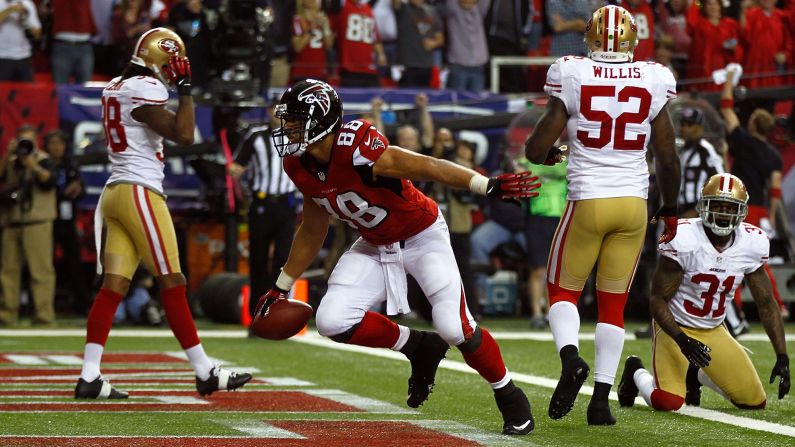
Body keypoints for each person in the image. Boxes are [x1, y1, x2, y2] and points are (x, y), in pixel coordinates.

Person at [259, 79, 539, 435]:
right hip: (375, 243)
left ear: (322, 120)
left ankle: (509, 394)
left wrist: (485, 185)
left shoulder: (357, 147)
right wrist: (281, 285)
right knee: (332, 320)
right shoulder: (298, 164)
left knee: (455, 327)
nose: (288, 128)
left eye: (297, 119)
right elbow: (314, 228)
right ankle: (418, 346)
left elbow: (427, 166)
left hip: (422, 235)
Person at [523, 5, 681, 425]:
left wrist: (555, 151)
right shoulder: (653, 77)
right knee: (613, 306)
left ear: (590, 38)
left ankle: (571, 359)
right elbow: (667, 156)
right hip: (633, 204)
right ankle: (600, 402)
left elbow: (535, 149)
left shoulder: (573, 72)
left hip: (589, 200)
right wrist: (671, 208)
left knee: (562, 292)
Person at [75, 27, 251, 399]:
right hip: (140, 193)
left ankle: (89, 375)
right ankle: (205, 371)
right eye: (172, 62)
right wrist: (185, 89)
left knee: (114, 287)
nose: (175, 69)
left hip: (116, 192)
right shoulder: (146, 88)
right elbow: (184, 134)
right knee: (173, 281)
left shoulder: (115, 86)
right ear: (159, 59)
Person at [617, 173, 790, 411]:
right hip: (674, 326)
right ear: (703, 206)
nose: (722, 214)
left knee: (753, 401)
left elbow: (767, 304)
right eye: (717, 206)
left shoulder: (752, 243)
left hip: (712, 328)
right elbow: (658, 300)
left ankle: (694, 375)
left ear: (742, 211)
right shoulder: (684, 238)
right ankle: (636, 371)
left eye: (730, 208)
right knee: (667, 402)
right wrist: (681, 340)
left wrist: (782, 356)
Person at [719, 69, 788, 318]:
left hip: (738, 206)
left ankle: (732, 307)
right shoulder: (773, 155)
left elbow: (726, 108)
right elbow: (775, 189)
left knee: (730, 255)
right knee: (759, 262)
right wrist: (769, 216)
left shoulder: (744, 142)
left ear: (752, 124)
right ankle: (777, 304)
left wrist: (728, 80)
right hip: (759, 210)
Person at [228, 105, 299, 321]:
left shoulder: (298, 138)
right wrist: (241, 179)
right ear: (268, 112)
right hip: (261, 204)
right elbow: (236, 165)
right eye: (274, 110)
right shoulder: (256, 136)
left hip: (286, 204)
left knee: (283, 260)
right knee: (257, 260)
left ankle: (277, 313)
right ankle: (256, 315)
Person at [0, 125, 57, 326]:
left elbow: (50, 181)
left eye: (28, 141)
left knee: (40, 271)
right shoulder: (12, 162)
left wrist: (32, 165)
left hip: (37, 223)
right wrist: (8, 156)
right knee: (8, 272)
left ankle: (44, 315)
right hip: (11, 222)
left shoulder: (44, 160)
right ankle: (7, 314)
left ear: (36, 142)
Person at [44, 130, 90, 315]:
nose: (57, 147)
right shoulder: (43, 163)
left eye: (60, 143)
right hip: (48, 218)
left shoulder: (70, 164)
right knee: (45, 262)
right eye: (53, 143)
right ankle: (46, 303)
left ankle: (81, 304)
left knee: (74, 261)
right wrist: (60, 192)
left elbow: (82, 187)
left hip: (67, 218)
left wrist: (78, 189)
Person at [677, 107, 725, 218]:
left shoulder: (705, 150)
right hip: (680, 210)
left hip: (697, 211)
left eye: (689, 125)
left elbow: (719, 182)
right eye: (682, 124)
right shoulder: (683, 151)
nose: (684, 128)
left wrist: (698, 210)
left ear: (698, 128)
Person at [0, 0, 41, 81]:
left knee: (27, 92)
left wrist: (25, 18)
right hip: (2, 56)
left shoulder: (27, 3)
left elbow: (37, 34)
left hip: (24, 56)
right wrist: (10, 10)